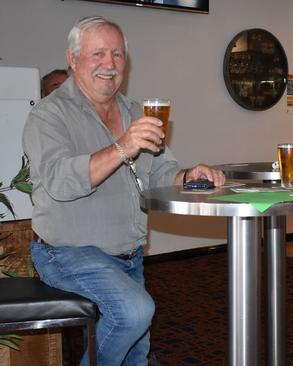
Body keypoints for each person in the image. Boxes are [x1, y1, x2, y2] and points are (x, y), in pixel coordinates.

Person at [23, 16, 225, 365]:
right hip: (68, 253)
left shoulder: (135, 112)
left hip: (128, 256)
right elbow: (59, 180)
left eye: (117, 55)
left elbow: (161, 171)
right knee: (133, 312)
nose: (109, 64)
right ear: (73, 59)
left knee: (136, 354)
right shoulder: (48, 114)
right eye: (98, 53)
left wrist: (190, 174)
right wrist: (121, 146)